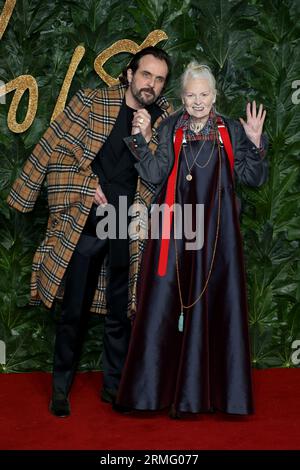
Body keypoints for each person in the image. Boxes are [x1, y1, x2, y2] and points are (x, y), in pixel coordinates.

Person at [7, 46, 173, 417]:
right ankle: (60, 388)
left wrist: (146, 137)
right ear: (130, 74)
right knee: (74, 309)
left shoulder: (162, 123)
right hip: (86, 219)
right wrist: (84, 184)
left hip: (126, 225)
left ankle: (113, 386)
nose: (151, 85)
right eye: (146, 75)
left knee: (120, 311)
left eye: (159, 79)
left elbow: (159, 176)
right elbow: (59, 152)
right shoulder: (93, 102)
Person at [116, 61, 268, 418]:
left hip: (219, 236)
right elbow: (154, 174)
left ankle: (217, 396)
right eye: (190, 95)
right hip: (177, 230)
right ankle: (155, 393)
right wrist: (141, 139)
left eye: (204, 95)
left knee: (219, 305)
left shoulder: (231, 129)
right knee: (163, 306)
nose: (198, 101)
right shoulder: (170, 128)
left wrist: (257, 143)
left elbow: (254, 178)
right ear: (182, 98)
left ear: (214, 96)